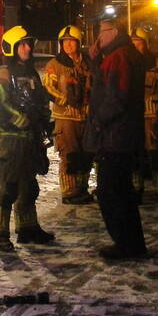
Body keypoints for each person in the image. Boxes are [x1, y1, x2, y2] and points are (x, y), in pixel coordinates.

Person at [0, 25, 56, 252]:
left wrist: (45, 124)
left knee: (28, 185)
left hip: (30, 137)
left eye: (29, 44)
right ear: (12, 48)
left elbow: (40, 101)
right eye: (23, 44)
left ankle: (28, 228)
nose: (28, 48)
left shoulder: (31, 72)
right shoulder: (3, 73)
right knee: (7, 186)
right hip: (10, 137)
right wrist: (21, 120)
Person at [84, 16, 148, 260]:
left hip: (115, 137)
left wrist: (99, 121)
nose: (99, 38)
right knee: (122, 191)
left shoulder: (119, 57)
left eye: (102, 32)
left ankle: (125, 243)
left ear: (114, 32)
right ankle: (132, 243)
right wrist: (95, 60)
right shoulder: (123, 55)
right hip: (123, 135)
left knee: (111, 192)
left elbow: (115, 97)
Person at [44, 25, 95, 205]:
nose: (68, 45)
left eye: (71, 41)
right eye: (65, 42)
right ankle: (69, 192)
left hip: (86, 116)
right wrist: (64, 99)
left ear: (78, 43)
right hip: (65, 118)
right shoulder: (54, 65)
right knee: (69, 156)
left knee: (86, 155)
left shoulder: (87, 63)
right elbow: (49, 87)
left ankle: (82, 189)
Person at [131, 28, 158, 206]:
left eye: (138, 42)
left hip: (154, 115)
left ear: (145, 43)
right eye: (132, 42)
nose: (135, 46)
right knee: (135, 155)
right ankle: (135, 190)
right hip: (133, 117)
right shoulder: (127, 64)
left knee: (157, 155)